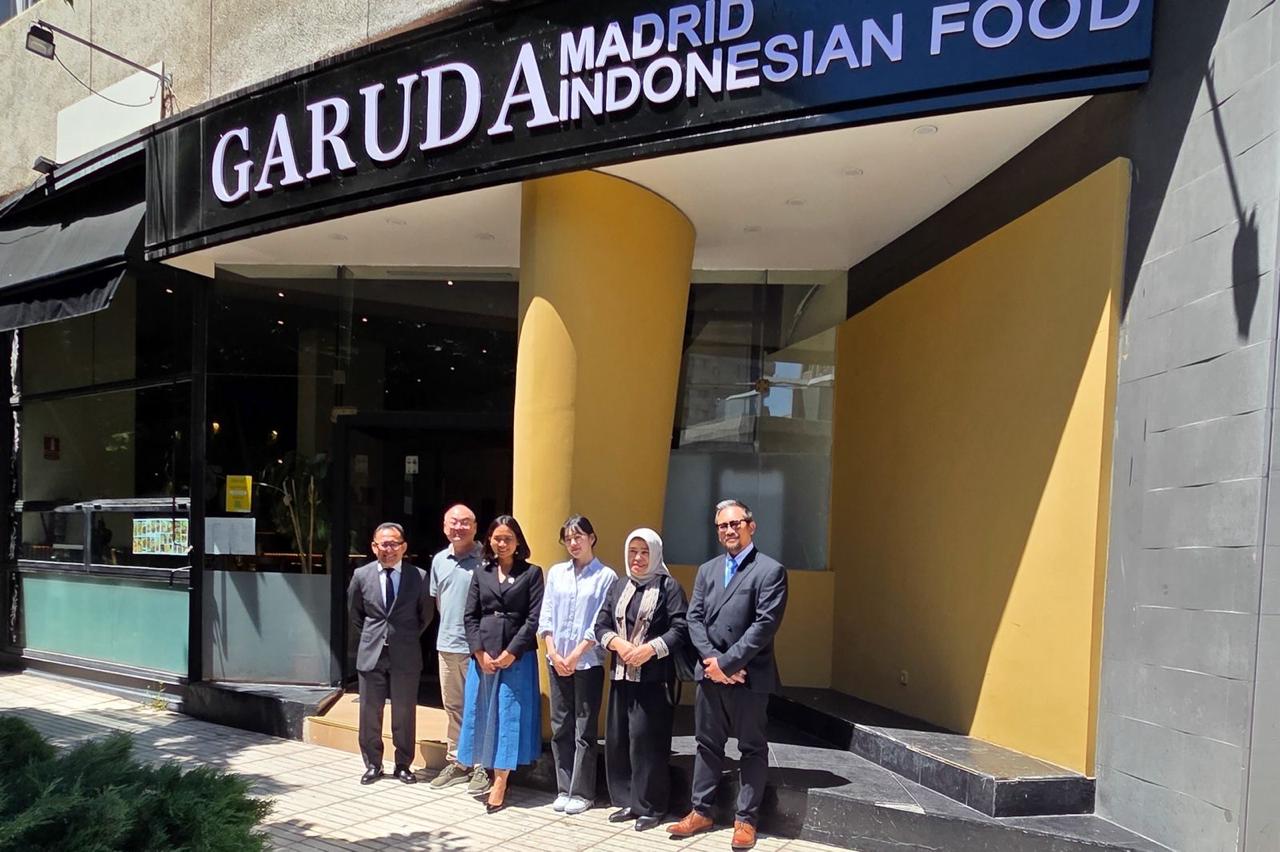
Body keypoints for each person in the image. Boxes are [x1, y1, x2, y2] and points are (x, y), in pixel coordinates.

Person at [669, 500, 788, 851]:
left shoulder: (770, 570)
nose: (729, 530)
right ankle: (701, 811)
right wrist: (713, 663)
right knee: (706, 744)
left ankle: (746, 820)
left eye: (736, 523)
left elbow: (764, 625)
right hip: (711, 674)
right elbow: (694, 618)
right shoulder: (707, 570)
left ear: (751, 526)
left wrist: (729, 665)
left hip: (749, 676)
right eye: (723, 525)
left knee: (751, 747)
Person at [595, 527, 688, 833]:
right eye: (633, 552)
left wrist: (649, 650)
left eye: (644, 552)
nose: (637, 558)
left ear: (656, 554)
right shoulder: (619, 585)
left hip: (653, 680)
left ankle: (652, 806)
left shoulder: (669, 587)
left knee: (648, 744)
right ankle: (628, 801)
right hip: (621, 677)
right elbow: (601, 624)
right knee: (620, 740)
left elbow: (680, 628)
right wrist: (618, 645)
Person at [457, 514, 544, 813]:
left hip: (517, 656)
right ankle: (482, 768)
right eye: (497, 538)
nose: (502, 543)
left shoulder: (532, 573)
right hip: (485, 655)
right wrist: (479, 652)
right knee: (483, 712)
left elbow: (533, 618)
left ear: (518, 542)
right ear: (489, 541)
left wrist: (512, 652)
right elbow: (470, 616)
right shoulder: (481, 572)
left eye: (508, 538)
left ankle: (501, 781)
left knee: (509, 715)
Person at [537, 515, 616, 814]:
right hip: (556, 659)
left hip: (587, 662)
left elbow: (600, 621)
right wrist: (554, 652)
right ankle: (563, 787)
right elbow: (546, 616)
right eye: (568, 538)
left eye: (578, 536)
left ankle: (583, 792)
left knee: (584, 728)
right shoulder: (556, 573)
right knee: (561, 726)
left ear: (591, 538)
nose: (573, 543)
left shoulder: (605, 576)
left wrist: (575, 655)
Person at [347, 522, 435, 785]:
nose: (389, 549)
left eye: (394, 544)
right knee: (369, 712)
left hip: (405, 652)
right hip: (371, 652)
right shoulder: (361, 575)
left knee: (404, 711)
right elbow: (355, 613)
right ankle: (373, 764)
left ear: (403, 547)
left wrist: (401, 635)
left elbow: (425, 615)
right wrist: (376, 635)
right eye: (383, 544)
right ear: (374, 547)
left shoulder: (419, 576)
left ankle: (403, 764)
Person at [428, 503, 485, 791]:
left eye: (465, 522)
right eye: (453, 522)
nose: (458, 527)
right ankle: (458, 761)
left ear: (475, 527)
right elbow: (439, 602)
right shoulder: (439, 560)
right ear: (444, 526)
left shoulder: (487, 560)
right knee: (454, 707)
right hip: (447, 645)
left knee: (480, 706)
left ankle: (481, 765)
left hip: (478, 649)